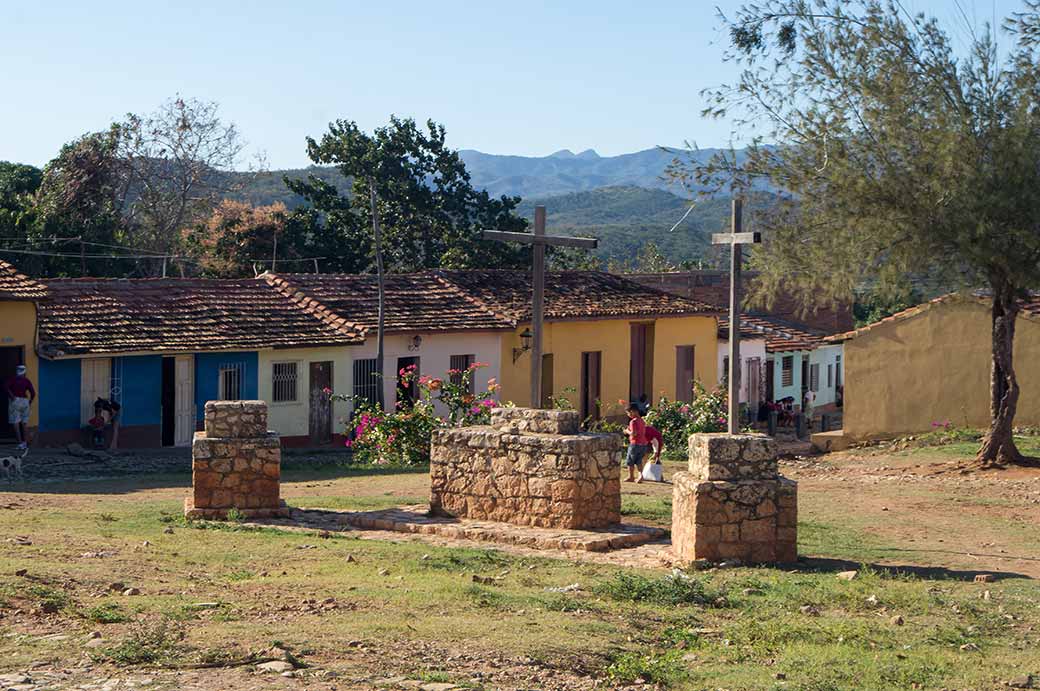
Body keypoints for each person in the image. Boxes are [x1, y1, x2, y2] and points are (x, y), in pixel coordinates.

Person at [5, 365, 35, 449]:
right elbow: (33, 393)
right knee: (24, 423)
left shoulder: (13, 379)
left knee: (15, 423)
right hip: (25, 401)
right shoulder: (26, 380)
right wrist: (30, 401)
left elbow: (6, 387)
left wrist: (12, 396)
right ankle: (25, 443)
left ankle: (20, 443)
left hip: (15, 401)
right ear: (24, 372)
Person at [624, 403, 649, 482]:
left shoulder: (633, 422)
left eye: (628, 413)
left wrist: (626, 431)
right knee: (639, 461)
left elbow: (634, 433)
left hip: (635, 444)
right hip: (643, 444)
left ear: (632, 411)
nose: (628, 415)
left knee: (630, 461)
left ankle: (631, 476)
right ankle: (641, 476)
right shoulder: (642, 420)